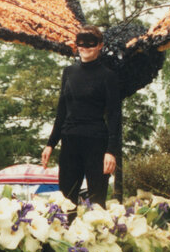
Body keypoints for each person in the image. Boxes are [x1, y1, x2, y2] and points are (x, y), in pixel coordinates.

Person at [41, 25, 120, 207]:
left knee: (97, 201)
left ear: (100, 45)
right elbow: (62, 110)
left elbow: (114, 116)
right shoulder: (69, 72)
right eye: (81, 43)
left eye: (90, 43)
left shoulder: (108, 76)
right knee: (66, 200)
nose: (85, 47)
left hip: (96, 143)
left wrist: (111, 151)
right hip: (70, 142)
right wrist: (51, 144)